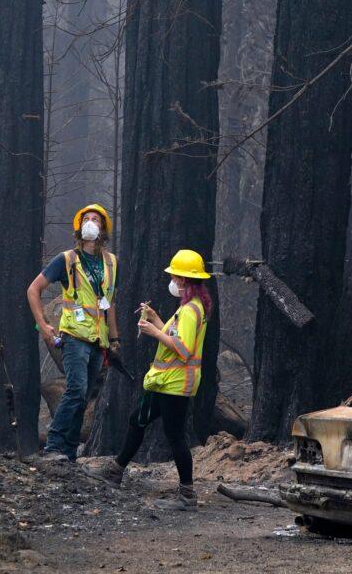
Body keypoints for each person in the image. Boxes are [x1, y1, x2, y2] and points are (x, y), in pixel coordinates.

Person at [84, 249, 212, 510]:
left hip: (175, 384)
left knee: (175, 436)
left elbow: (184, 348)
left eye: (175, 277)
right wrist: (157, 320)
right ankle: (115, 471)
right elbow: (178, 337)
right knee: (137, 420)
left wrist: (154, 331)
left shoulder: (189, 310)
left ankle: (187, 496)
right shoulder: (191, 307)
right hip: (166, 382)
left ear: (184, 281)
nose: (173, 282)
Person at [26, 203, 120, 463]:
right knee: (76, 390)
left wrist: (115, 339)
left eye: (96, 220)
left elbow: (109, 303)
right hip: (74, 336)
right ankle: (53, 445)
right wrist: (43, 325)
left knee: (84, 396)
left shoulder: (112, 263)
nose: (91, 222)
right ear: (79, 228)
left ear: (103, 229)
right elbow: (33, 290)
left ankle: (67, 452)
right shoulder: (66, 260)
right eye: (86, 219)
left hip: (97, 341)